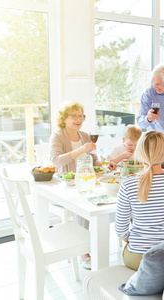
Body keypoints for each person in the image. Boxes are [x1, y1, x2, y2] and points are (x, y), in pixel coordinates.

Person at [115, 130, 164, 271]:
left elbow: (120, 230)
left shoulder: (128, 184)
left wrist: (134, 241)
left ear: (140, 152)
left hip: (138, 258)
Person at [50, 101, 101, 269]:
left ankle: (92, 242)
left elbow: (94, 158)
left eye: (81, 115)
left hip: (86, 181)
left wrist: (101, 166)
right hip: (65, 185)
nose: (78, 119)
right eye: (74, 115)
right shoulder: (58, 136)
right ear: (64, 119)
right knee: (85, 201)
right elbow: (56, 160)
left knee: (95, 199)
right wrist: (79, 150)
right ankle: (84, 251)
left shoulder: (85, 135)